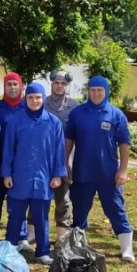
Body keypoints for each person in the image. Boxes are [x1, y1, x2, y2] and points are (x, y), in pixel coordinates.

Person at [65, 75, 135, 262]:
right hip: (82, 171)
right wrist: (65, 163)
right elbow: (69, 140)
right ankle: (79, 246)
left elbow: (124, 144)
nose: (96, 94)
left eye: (100, 90)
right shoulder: (78, 113)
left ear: (106, 92)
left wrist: (123, 170)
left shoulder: (115, 114)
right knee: (79, 210)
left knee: (115, 208)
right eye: (93, 90)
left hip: (108, 173)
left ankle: (127, 248)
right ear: (88, 91)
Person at [2, 83, 67, 264]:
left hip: (43, 178)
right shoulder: (15, 120)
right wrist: (7, 173)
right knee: (15, 216)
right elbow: (8, 149)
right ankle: (9, 249)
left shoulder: (53, 122)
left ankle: (42, 251)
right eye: (30, 97)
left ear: (43, 98)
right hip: (19, 177)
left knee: (41, 217)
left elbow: (59, 151)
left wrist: (57, 175)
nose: (34, 101)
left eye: (38, 97)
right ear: (26, 99)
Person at [0, 72, 31, 251]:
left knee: (20, 201)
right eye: (9, 84)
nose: (12, 88)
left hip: (20, 164)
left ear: (21, 86)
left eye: (15, 84)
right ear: (4, 87)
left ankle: (21, 236)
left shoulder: (27, 108)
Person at [45, 70, 79, 240]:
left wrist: (69, 161)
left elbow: (78, 135)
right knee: (39, 198)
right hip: (43, 159)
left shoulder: (74, 107)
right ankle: (33, 232)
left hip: (65, 158)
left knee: (63, 200)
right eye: (56, 83)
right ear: (51, 84)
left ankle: (62, 236)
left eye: (63, 83)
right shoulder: (42, 103)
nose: (59, 86)